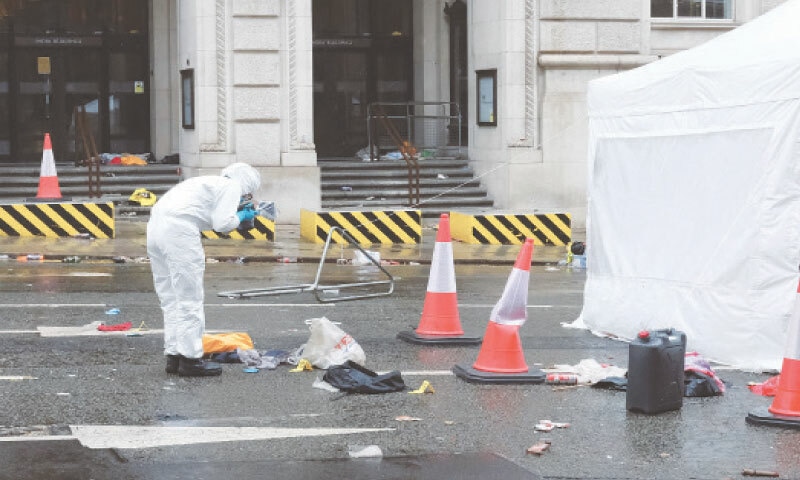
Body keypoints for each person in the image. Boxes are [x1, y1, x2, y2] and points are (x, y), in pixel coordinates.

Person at [146, 162, 261, 377]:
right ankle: (191, 360)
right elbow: (222, 224)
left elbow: (203, 213)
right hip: (179, 232)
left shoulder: (206, 182)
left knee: (171, 298)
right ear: (247, 186)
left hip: (155, 228)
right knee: (190, 299)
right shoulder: (232, 187)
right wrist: (243, 217)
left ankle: (174, 356)